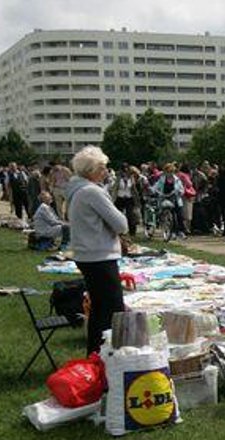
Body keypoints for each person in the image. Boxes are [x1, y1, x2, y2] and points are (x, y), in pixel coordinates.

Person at [66, 146, 128, 355]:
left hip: (87, 255)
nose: (105, 172)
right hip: (99, 256)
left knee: (99, 309)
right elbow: (121, 224)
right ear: (91, 169)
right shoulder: (92, 191)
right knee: (112, 310)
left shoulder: (76, 190)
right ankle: (107, 355)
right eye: (102, 167)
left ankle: (95, 353)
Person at [152, 163, 186, 239]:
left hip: (175, 198)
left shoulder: (177, 179)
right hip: (164, 197)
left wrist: (180, 192)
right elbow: (155, 187)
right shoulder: (162, 179)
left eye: (171, 171)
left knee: (180, 215)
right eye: (168, 171)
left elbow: (182, 189)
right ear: (165, 171)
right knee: (172, 216)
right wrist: (154, 191)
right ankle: (172, 232)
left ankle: (181, 232)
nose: (170, 173)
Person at [114, 164, 138, 237]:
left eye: (126, 170)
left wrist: (137, 199)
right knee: (118, 215)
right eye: (124, 170)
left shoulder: (131, 178)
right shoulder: (118, 178)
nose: (125, 172)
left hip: (129, 198)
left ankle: (132, 233)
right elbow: (115, 188)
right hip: (120, 198)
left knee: (130, 215)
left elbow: (134, 189)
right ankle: (119, 232)